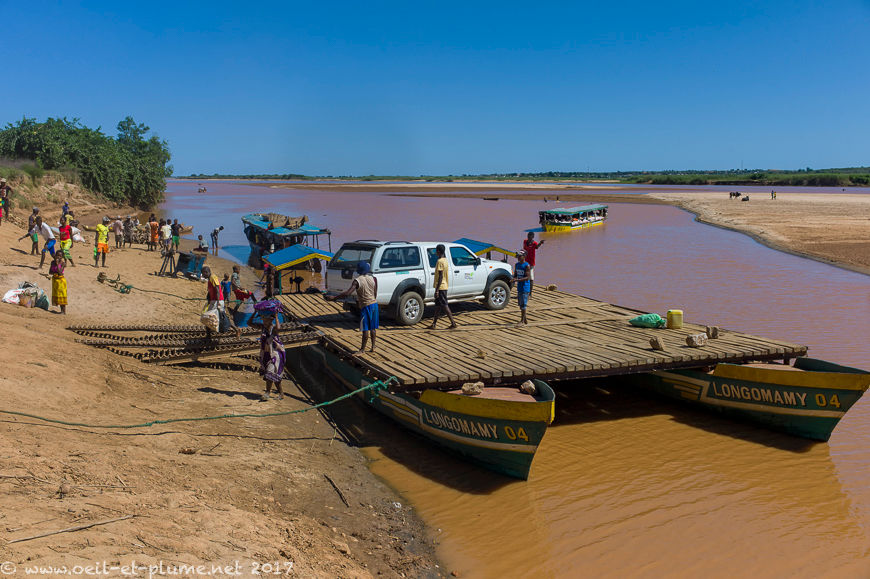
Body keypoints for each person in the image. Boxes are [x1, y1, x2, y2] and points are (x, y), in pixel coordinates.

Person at [325, 261, 379, 354]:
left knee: (365, 329)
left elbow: (348, 293)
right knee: (373, 328)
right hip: (374, 304)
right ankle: (373, 347)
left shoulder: (357, 280)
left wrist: (334, 298)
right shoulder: (373, 278)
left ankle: (362, 350)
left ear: (358, 271)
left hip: (366, 306)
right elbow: (375, 293)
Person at [255, 300, 285, 401]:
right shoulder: (262, 327)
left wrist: (276, 316)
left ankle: (267, 393)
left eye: (265, 320)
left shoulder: (274, 329)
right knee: (275, 378)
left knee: (269, 373)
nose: (263, 321)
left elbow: (279, 328)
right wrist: (255, 313)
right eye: (263, 319)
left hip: (276, 354)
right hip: (266, 354)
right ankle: (281, 393)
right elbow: (249, 323)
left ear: (270, 320)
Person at [202, 265, 241, 338]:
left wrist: (217, 302)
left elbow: (217, 289)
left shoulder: (213, 277)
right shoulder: (210, 279)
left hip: (218, 300)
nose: (202, 275)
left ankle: (236, 329)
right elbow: (211, 290)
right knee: (211, 316)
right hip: (214, 300)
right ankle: (208, 334)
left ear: (206, 272)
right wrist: (209, 298)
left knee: (221, 316)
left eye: (203, 273)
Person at [428, 244, 456, 330]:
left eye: (436, 251)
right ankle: (434, 324)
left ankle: (453, 323)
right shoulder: (445, 260)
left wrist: (436, 290)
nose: (435, 252)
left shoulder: (440, 261)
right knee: (438, 306)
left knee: (444, 305)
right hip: (444, 285)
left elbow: (440, 276)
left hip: (441, 287)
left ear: (438, 251)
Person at [511, 250, 532, 325]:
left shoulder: (527, 266)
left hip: (525, 287)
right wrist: (514, 279)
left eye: (520, 256)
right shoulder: (517, 265)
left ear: (524, 257)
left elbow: (528, 277)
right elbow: (515, 274)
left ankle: (522, 321)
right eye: (518, 256)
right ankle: (525, 319)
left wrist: (518, 280)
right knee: (520, 305)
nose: (518, 257)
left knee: (523, 305)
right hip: (519, 287)